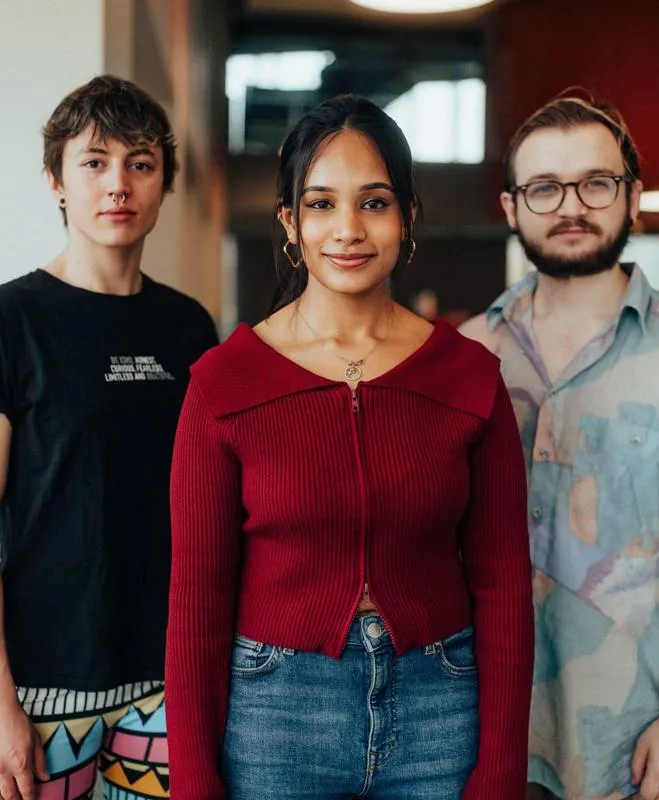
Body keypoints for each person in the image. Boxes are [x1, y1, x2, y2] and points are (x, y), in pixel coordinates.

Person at [165, 94, 534, 800]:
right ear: (290, 223)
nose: (348, 229)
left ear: (407, 217)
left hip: (440, 707)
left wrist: (499, 775)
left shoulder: (468, 377)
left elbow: (505, 586)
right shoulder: (223, 384)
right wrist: (194, 786)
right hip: (277, 713)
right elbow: (196, 601)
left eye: (373, 202)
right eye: (322, 204)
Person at [0, 75, 218, 800]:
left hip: (168, 682)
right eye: (94, 161)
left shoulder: (189, 329)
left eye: (140, 163)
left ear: (164, 185)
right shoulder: (0, 325)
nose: (117, 184)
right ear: (56, 181)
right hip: (39, 690)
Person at [461, 95, 659, 800]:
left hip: (634, 746)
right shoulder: (465, 355)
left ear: (633, 197)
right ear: (511, 206)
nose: (570, 205)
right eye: (544, 187)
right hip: (473, 732)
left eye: (597, 182)